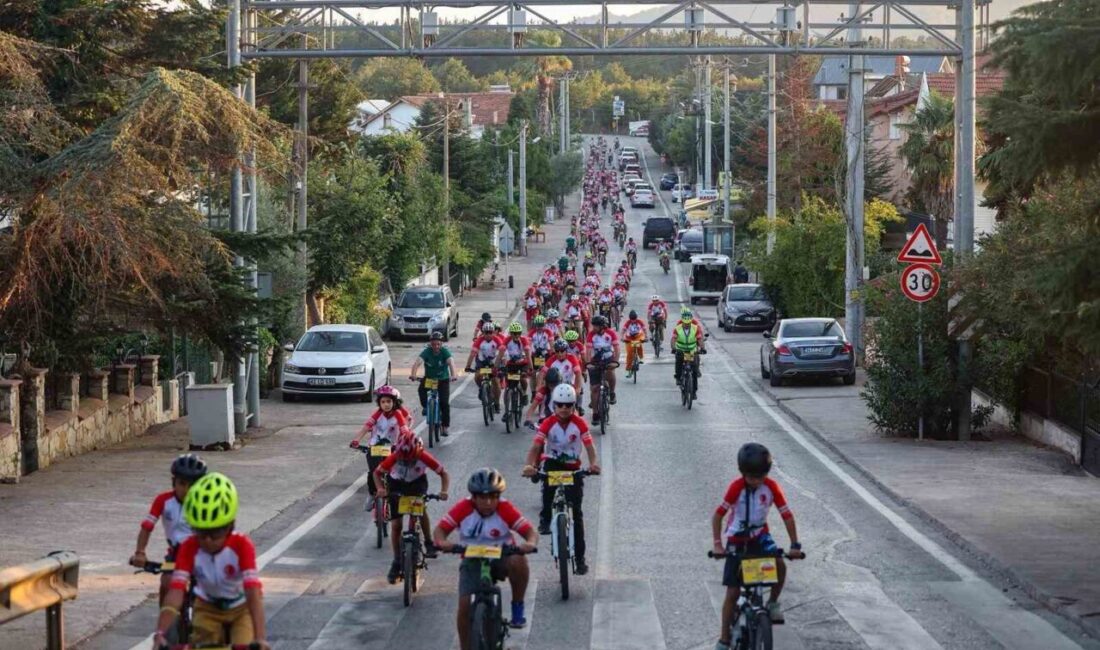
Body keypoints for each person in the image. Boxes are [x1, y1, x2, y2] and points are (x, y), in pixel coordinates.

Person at [155, 473, 268, 649]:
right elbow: (176, 591)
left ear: (231, 526)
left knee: (244, 642)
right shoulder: (189, 546)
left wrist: (260, 638)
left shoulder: (242, 545)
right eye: (200, 532)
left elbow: (253, 592)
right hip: (207, 607)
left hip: (241, 608)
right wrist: (160, 633)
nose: (207, 540)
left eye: (215, 533)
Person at [712, 443, 804, 650]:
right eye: (752, 477)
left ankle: (772, 602)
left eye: (760, 477)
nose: (756, 481)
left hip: (760, 536)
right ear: (742, 473)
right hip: (737, 539)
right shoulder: (736, 488)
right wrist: (718, 545)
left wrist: (795, 544)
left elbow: (786, 515)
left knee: (779, 565)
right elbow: (718, 515)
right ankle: (724, 638)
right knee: (733, 592)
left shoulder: (771, 488)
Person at [433, 469, 539, 648]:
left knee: (519, 560)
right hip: (472, 559)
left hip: (501, 556)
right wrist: (442, 542)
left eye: (493, 497)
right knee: (465, 605)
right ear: (473, 497)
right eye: (482, 498)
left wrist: (529, 543)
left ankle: (517, 606)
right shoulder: (463, 508)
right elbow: (440, 530)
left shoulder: (505, 508)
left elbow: (529, 532)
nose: (488, 502)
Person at [522, 385, 601, 574]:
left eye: (568, 405)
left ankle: (580, 560)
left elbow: (589, 447)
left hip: (573, 468)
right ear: (554, 405)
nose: (564, 409)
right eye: (560, 405)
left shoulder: (580, 423)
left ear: (574, 405)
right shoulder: (548, 423)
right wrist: (529, 466)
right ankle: (545, 519)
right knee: (548, 493)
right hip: (553, 464)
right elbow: (536, 447)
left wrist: (593, 464)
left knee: (578, 514)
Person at [131, 453, 208, 606]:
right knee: (166, 583)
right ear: (174, 482)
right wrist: (140, 552)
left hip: (202, 552)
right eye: (182, 483)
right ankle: (164, 628)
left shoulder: (206, 502)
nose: (186, 489)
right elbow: (147, 527)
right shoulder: (163, 501)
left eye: (192, 485)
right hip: (176, 554)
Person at [374, 430, 451, 583]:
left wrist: (444, 491)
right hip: (396, 485)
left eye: (411, 461)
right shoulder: (395, 457)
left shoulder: (424, 457)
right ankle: (396, 561)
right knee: (396, 525)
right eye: (404, 461)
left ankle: (428, 542)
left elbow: (444, 474)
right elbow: (377, 473)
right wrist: (380, 489)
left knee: (420, 509)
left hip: (417, 484)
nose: (407, 464)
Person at [350, 385, 409, 508]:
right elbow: (366, 427)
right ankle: (372, 494)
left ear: (394, 402)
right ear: (379, 403)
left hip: (392, 447)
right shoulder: (377, 414)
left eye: (389, 401)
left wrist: (406, 441)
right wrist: (357, 439)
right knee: (373, 472)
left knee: (396, 473)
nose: (386, 404)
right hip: (375, 447)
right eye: (383, 402)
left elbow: (404, 430)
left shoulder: (398, 413)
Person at [409, 333, 458, 436]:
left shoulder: (445, 352)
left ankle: (445, 427)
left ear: (441, 344)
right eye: (434, 344)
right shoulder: (426, 352)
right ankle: (426, 407)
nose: (436, 347)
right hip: (429, 380)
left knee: (444, 403)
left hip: (443, 380)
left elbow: (451, 363)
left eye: (438, 344)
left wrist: (453, 375)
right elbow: (417, 363)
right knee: (421, 390)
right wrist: (413, 375)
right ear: (430, 344)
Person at [585, 315, 620, 415]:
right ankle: (595, 413)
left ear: (602, 326)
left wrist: (615, 362)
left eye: (596, 326)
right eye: (593, 325)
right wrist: (588, 363)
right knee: (594, 388)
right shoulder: (591, 334)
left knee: (611, 372)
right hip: (595, 360)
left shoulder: (611, 333)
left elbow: (617, 349)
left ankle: (612, 392)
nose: (593, 328)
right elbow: (588, 350)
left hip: (608, 358)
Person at [465, 323, 503, 410]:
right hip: (481, 362)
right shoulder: (479, 340)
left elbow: (502, 353)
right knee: (477, 377)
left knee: (496, 382)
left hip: (494, 362)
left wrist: (503, 363)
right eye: (486, 333)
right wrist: (468, 366)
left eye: (490, 332)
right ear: (483, 333)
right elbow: (472, 354)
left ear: (493, 332)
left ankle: (497, 403)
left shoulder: (497, 340)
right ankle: (482, 388)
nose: (488, 335)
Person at [671, 308, 706, 398]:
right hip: (681, 350)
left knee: (694, 371)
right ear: (682, 321)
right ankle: (678, 377)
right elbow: (673, 339)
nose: (686, 325)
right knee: (678, 361)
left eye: (688, 323)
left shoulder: (695, 327)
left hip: (691, 350)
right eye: (685, 323)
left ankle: (693, 392)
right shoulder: (677, 328)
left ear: (691, 321)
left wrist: (702, 348)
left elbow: (700, 339)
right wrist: (674, 348)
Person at [621, 310, 647, 377]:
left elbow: (644, 329)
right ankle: (629, 369)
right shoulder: (627, 323)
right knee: (629, 353)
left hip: (638, 336)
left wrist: (646, 337)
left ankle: (641, 358)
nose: (633, 321)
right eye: (631, 319)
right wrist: (622, 337)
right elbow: (623, 330)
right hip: (629, 338)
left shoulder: (639, 322)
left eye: (634, 319)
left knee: (639, 344)